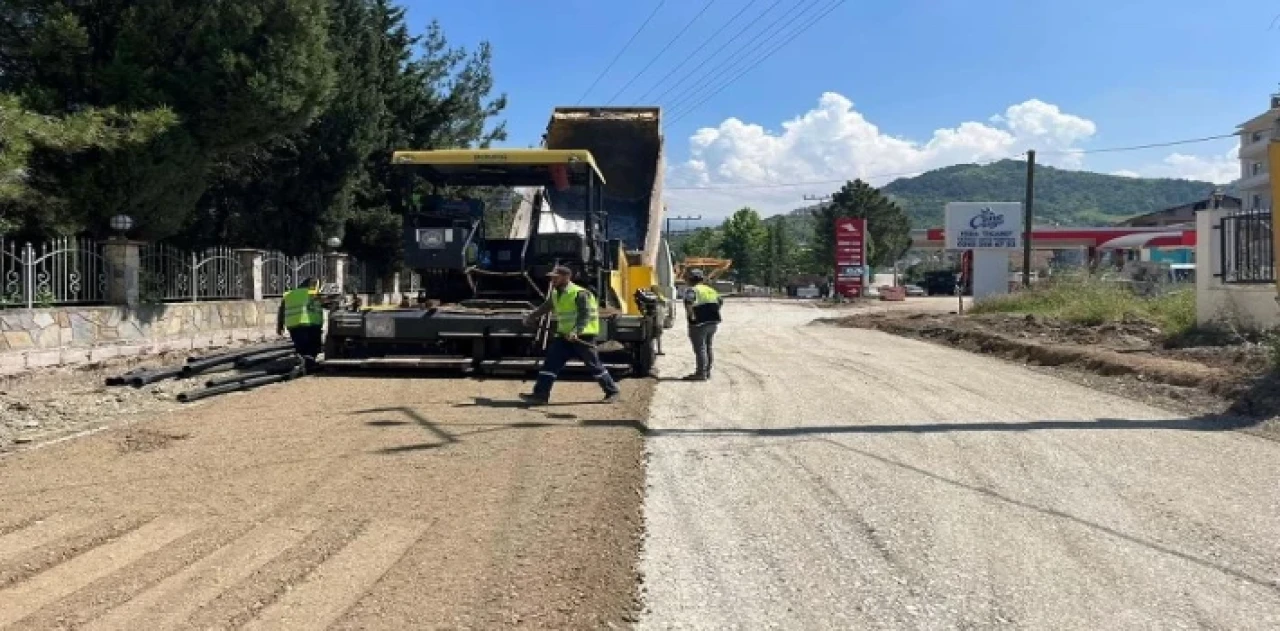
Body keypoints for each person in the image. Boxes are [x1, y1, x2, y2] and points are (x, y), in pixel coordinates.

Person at [519, 265, 621, 405]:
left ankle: (612, 391)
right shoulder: (556, 293)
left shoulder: (580, 293)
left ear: (566, 277)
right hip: (563, 337)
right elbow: (545, 307)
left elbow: (585, 316)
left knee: (594, 366)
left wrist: (575, 332)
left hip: (582, 336)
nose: (552, 280)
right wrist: (531, 317)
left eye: (556, 277)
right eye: (551, 277)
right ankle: (540, 395)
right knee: (550, 364)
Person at [682, 268, 722, 381]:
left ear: (690, 279)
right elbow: (720, 301)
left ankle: (700, 373)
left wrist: (692, 316)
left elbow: (688, 303)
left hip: (699, 323)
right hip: (713, 322)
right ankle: (707, 372)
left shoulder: (692, 290)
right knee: (708, 347)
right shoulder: (710, 290)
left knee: (700, 349)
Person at [277, 277, 325, 368]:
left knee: (301, 348)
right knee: (313, 348)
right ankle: (308, 366)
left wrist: (280, 326)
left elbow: (281, 310)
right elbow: (327, 303)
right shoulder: (314, 294)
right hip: (312, 325)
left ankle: (303, 364)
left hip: (294, 326)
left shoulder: (289, 294)